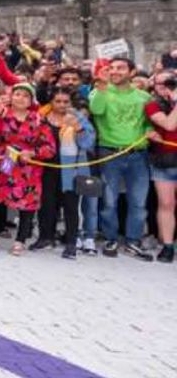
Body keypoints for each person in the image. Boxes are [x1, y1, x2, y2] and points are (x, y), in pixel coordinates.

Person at [90, 57, 154, 261]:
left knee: (138, 201)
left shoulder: (144, 97)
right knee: (109, 201)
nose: (115, 71)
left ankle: (133, 241)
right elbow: (96, 110)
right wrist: (101, 84)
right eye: (112, 68)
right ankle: (110, 238)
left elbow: (149, 122)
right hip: (110, 154)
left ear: (132, 72)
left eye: (120, 68)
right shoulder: (99, 92)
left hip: (138, 155)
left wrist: (150, 131)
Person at [0, 83, 57, 256]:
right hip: (5, 159)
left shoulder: (38, 119)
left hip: (28, 165)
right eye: (17, 94)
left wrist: (33, 152)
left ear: (31, 100)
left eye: (25, 95)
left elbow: (50, 148)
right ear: (11, 97)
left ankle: (20, 240)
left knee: (27, 202)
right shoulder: (3, 113)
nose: (20, 98)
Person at [42, 88, 96, 259]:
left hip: (71, 169)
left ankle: (71, 242)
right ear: (51, 102)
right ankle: (45, 237)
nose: (62, 105)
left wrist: (78, 128)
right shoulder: (42, 117)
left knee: (71, 207)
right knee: (47, 205)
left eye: (65, 102)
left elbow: (88, 143)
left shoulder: (77, 118)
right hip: (46, 167)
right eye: (58, 101)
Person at [145, 72, 177, 263]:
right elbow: (169, 124)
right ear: (154, 86)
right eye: (162, 83)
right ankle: (167, 245)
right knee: (166, 204)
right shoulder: (152, 104)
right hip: (164, 160)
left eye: (171, 82)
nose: (167, 86)